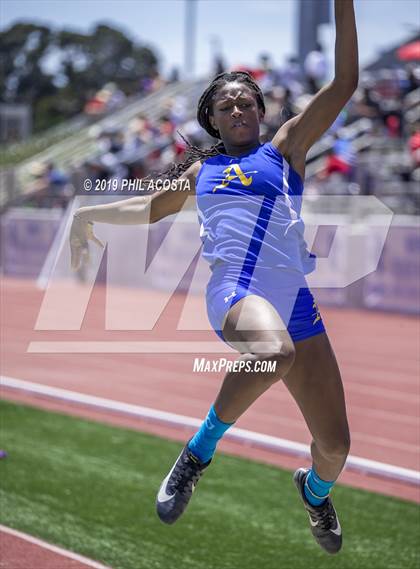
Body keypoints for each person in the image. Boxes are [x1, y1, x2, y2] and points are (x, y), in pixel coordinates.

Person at [69, 0, 358, 555]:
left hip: (296, 302)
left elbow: (345, 81)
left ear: (260, 109)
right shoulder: (203, 172)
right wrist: (88, 213)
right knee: (273, 353)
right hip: (236, 294)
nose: (238, 107)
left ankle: (314, 491)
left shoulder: (287, 148)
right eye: (227, 104)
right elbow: (147, 208)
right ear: (214, 120)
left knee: (335, 445)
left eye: (246, 99)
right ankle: (197, 454)